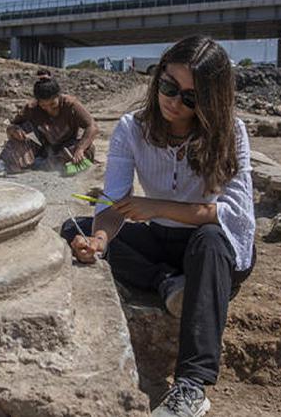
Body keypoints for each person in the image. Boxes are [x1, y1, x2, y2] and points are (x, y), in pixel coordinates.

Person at [60, 36, 255, 417]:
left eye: (190, 97)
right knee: (73, 227)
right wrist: (98, 240)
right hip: (161, 240)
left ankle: (192, 385)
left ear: (210, 101)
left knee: (210, 241)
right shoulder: (132, 128)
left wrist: (155, 206)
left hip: (210, 247)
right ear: (158, 78)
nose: (173, 101)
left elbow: (235, 214)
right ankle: (168, 283)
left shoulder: (230, 131)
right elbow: (113, 202)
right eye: (168, 86)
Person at [0, 70, 99, 177]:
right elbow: (11, 126)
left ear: (58, 96)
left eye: (53, 105)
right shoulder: (32, 108)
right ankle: (3, 163)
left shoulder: (71, 105)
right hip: (42, 148)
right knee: (23, 129)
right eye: (44, 106)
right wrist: (15, 130)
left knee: (89, 149)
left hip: (67, 147)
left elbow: (92, 126)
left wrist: (80, 149)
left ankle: (44, 164)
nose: (49, 110)